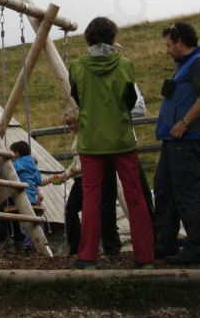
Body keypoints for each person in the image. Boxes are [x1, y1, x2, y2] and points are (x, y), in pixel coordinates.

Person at [69, 16, 155, 270]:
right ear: (112, 37)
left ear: (88, 37)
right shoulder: (125, 65)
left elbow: (78, 98)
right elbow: (130, 102)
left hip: (91, 141)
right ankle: (145, 256)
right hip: (121, 139)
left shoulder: (77, 67)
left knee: (91, 199)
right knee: (135, 196)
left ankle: (87, 257)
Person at [45, 90, 154, 259]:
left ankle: (89, 246)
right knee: (82, 209)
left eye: (71, 124)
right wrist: (65, 175)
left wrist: (72, 171)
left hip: (89, 175)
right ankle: (88, 245)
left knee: (98, 205)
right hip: (81, 177)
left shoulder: (88, 136)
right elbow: (78, 160)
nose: (70, 127)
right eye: (68, 124)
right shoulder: (79, 137)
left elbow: (87, 159)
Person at [154, 22, 200, 265]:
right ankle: (165, 243)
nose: (167, 50)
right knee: (165, 191)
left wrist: (185, 122)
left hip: (186, 139)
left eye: (169, 45)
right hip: (172, 140)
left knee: (186, 192)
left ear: (180, 42)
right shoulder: (184, 67)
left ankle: (195, 249)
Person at [0, 140, 43, 251]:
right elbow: (38, 180)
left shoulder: (19, 163)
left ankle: (3, 239)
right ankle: (19, 241)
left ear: (16, 153)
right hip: (31, 199)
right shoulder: (33, 164)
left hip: (21, 197)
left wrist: (4, 161)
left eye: (12, 152)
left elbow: (2, 171)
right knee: (14, 215)